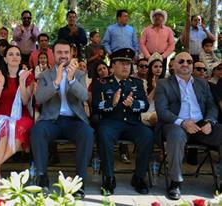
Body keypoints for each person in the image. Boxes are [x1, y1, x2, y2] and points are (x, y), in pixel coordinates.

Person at [30, 39, 94, 199]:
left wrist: (71, 79)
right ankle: (42, 177)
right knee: (37, 131)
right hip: (52, 120)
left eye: (66, 52)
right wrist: (57, 81)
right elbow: (39, 98)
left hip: (74, 121)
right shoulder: (45, 75)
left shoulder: (79, 74)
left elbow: (85, 96)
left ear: (71, 53)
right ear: (53, 54)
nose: (63, 56)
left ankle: (79, 182)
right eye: (59, 52)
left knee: (88, 133)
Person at [155, 52, 222, 200]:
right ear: (173, 65)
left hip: (201, 125)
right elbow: (162, 111)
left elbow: (212, 106)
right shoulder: (164, 84)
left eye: (189, 61)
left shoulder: (202, 83)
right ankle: (176, 182)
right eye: (181, 61)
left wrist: (209, 121)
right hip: (176, 124)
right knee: (176, 135)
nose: (185, 64)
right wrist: (183, 122)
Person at [92, 48, 153, 195]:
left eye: (128, 63)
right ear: (112, 66)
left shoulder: (137, 83)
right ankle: (109, 177)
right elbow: (95, 106)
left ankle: (139, 178)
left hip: (133, 123)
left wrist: (133, 104)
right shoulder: (101, 82)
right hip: (110, 123)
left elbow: (145, 106)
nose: (126, 66)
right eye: (122, 63)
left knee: (148, 135)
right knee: (103, 134)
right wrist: (112, 104)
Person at [0, 45, 34, 188]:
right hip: (0, 113)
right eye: (11, 54)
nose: (14, 56)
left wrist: (21, 82)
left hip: (20, 115)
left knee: (20, 127)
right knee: (1, 124)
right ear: (5, 58)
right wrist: (1, 83)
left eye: (17, 54)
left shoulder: (27, 76)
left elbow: (25, 101)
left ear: (21, 58)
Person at [140, 9, 175, 73]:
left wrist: (163, 56)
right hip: (149, 56)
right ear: (153, 18)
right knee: (148, 75)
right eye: (155, 15)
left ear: (163, 18)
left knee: (161, 76)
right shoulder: (146, 30)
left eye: (160, 15)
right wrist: (148, 56)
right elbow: (142, 43)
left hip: (162, 57)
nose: (157, 17)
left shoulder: (168, 30)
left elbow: (172, 44)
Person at [141, 53, 163, 127]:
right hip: (147, 112)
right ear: (151, 68)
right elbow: (146, 102)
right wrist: (155, 88)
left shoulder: (165, 82)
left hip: (161, 111)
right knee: (156, 117)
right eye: (156, 66)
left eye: (160, 66)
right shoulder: (143, 82)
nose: (158, 69)